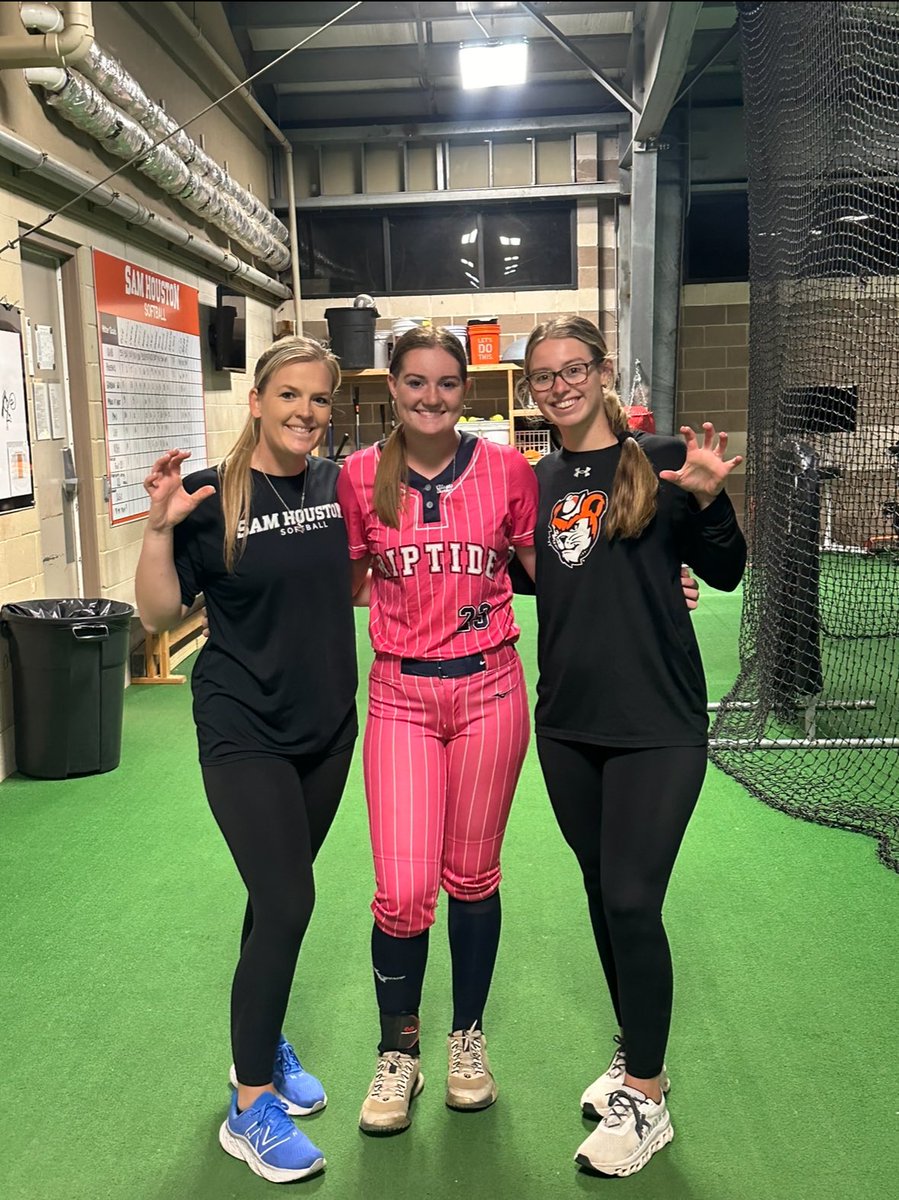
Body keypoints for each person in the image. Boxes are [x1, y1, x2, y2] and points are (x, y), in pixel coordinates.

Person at [521, 315, 746, 1178]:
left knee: (629, 900)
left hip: (657, 724)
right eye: (543, 376)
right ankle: (631, 1050)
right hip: (568, 724)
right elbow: (521, 569)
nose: (559, 386)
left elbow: (722, 571)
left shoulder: (654, 461)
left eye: (573, 369)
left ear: (601, 370)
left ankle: (646, 1097)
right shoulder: (538, 479)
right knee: (596, 887)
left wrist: (708, 499)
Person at [134, 336, 357, 1184]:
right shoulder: (211, 497)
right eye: (289, 395)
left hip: (328, 726)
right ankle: (249, 1102)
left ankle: (259, 1035)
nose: (305, 411)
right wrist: (159, 529)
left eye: (318, 400)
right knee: (289, 897)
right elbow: (156, 614)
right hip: (242, 729)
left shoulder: (337, 488)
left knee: (274, 895)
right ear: (257, 399)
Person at [335, 326, 539, 1134]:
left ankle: (466, 1039)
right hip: (401, 697)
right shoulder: (358, 475)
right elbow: (345, 581)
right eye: (415, 383)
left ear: (467, 389)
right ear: (393, 387)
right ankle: (399, 1052)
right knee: (404, 891)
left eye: (446, 383)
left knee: (473, 878)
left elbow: (550, 567)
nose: (431, 398)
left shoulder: (506, 470)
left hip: (491, 691)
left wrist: (658, 581)